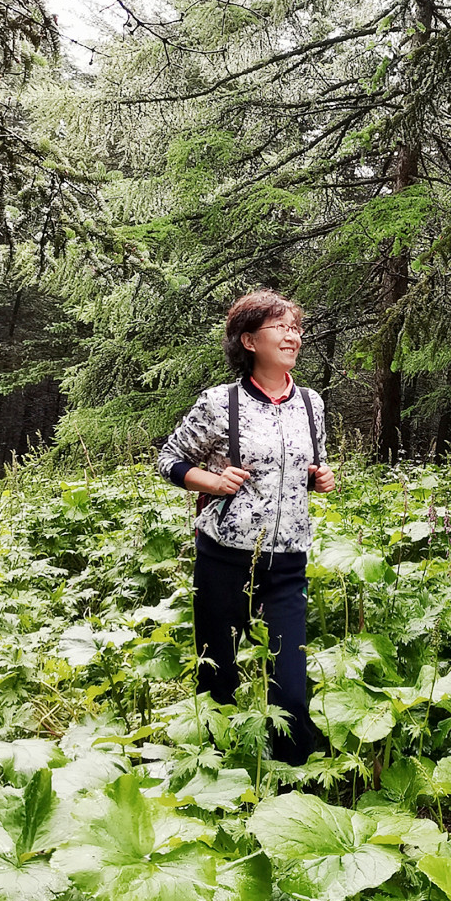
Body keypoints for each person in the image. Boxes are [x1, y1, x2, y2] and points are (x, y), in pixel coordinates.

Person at [157, 289, 335, 764]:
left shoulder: (312, 403)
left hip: (288, 560)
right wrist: (212, 482)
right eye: (281, 327)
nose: (293, 336)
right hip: (224, 557)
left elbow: (308, 466)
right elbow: (169, 460)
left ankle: (292, 777)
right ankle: (218, 776)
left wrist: (321, 478)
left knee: (291, 688)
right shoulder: (221, 403)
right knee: (219, 675)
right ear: (249, 340)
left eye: (296, 328)